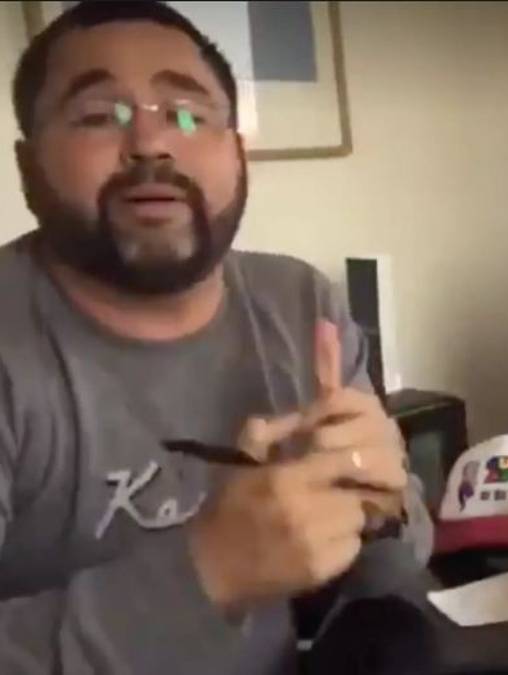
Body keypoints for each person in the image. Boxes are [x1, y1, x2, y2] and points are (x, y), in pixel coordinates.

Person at [0, 2, 431, 673]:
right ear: (28, 167)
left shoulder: (298, 302)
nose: (151, 143)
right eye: (99, 115)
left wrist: (381, 510)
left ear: (237, 154)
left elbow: (390, 572)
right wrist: (207, 572)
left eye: (186, 114)